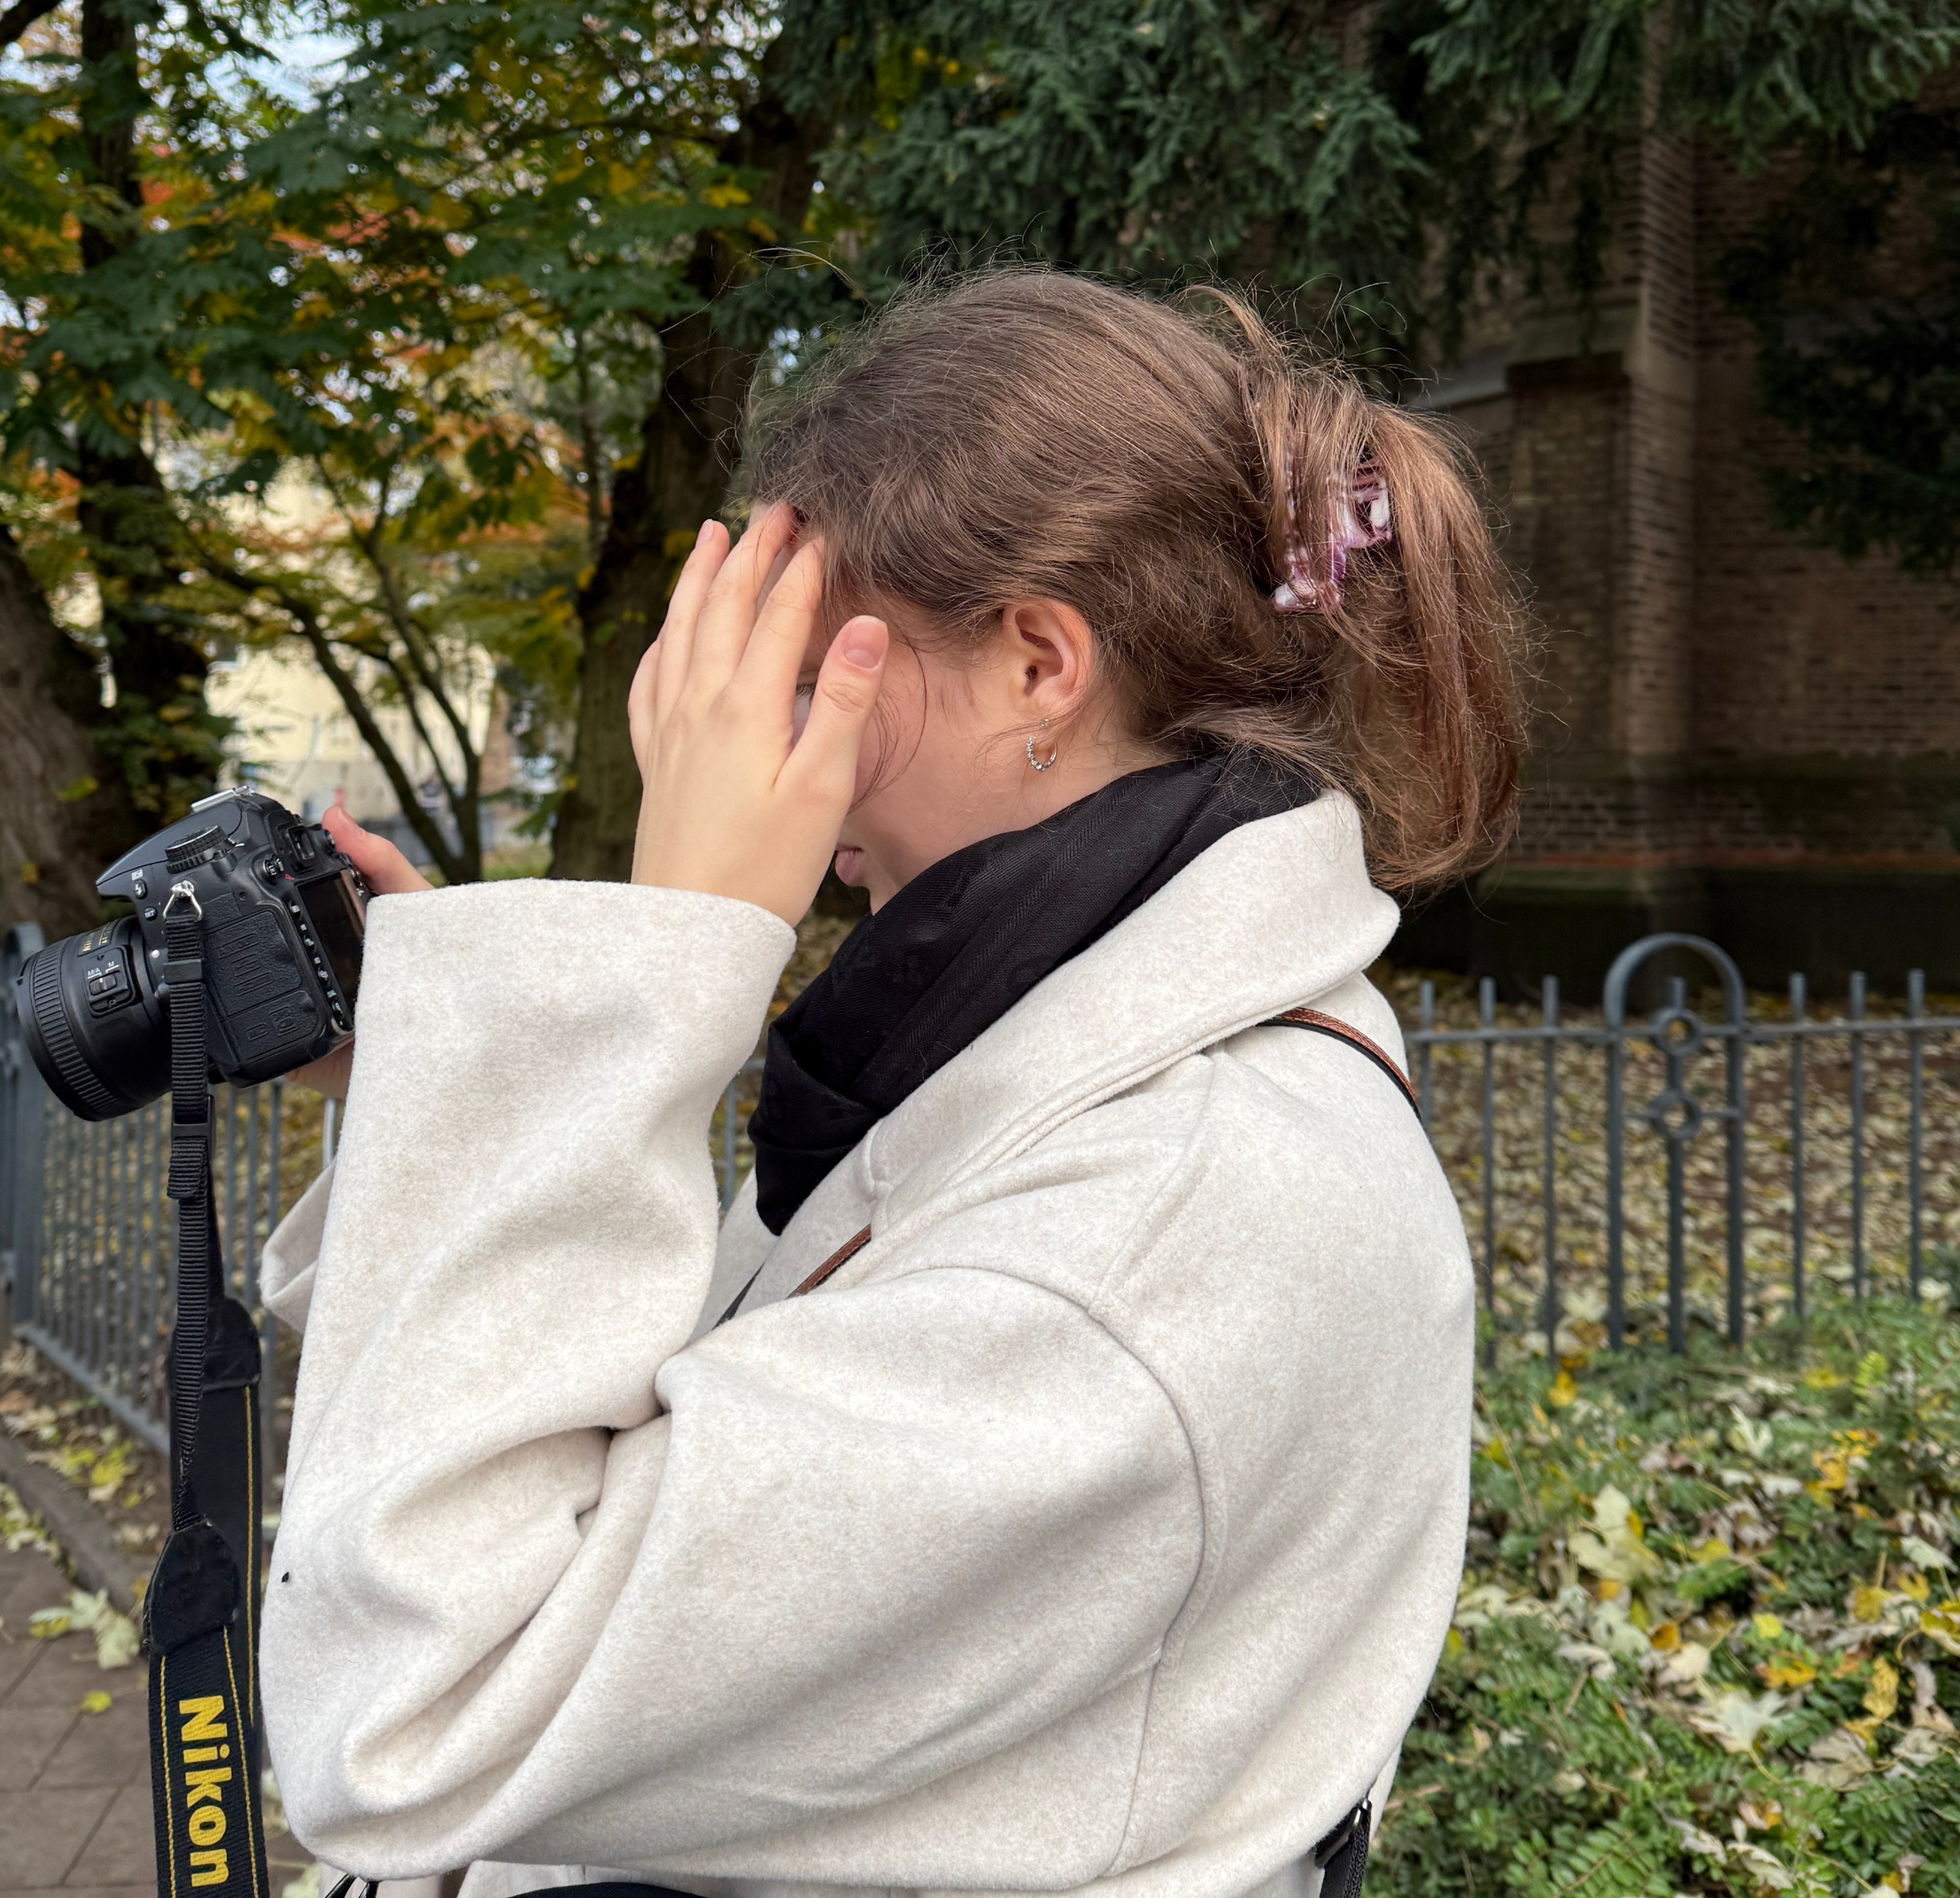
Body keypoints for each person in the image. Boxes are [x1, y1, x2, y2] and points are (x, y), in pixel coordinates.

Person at [259, 269, 1522, 1898]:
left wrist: (644, 971)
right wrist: (474, 1084)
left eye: (805, 676)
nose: (749, 745)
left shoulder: (1165, 1225)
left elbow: (417, 1718)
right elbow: (651, 1445)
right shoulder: (1042, 1038)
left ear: (1039, 666)